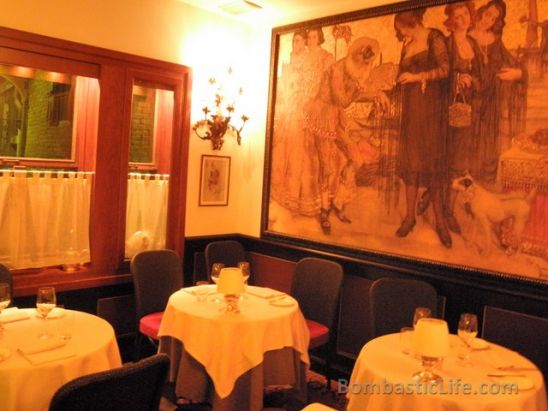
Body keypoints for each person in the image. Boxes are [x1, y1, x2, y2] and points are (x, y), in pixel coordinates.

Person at [304, 36, 389, 234]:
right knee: (326, 167)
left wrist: (376, 94)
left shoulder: (354, 71)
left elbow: (352, 97)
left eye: (368, 62)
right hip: (322, 115)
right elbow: (342, 100)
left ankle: (338, 201)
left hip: (335, 116)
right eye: (364, 61)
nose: (366, 66)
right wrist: (362, 90)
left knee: (356, 158)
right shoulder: (337, 69)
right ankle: (325, 210)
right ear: (355, 56)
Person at [393, 8, 452, 248]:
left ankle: (440, 222)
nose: (400, 33)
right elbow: (400, 76)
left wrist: (417, 78)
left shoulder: (434, 38)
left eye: (401, 27)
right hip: (411, 113)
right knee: (411, 164)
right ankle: (409, 218)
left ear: (410, 22)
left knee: (432, 165)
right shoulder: (406, 46)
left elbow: (445, 69)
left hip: (431, 112)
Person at [469, 0, 525, 185]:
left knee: (489, 143)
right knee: (469, 143)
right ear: (481, 12)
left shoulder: (496, 41)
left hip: (490, 101)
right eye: (488, 14)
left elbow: (514, 65)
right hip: (469, 101)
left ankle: (485, 185)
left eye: (494, 18)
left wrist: (519, 73)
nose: (489, 20)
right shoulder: (466, 38)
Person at [270, 30, 321, 217]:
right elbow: (284, 88)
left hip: (302, 115)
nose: (295, 44)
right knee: (285, 152)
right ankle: (288, 195)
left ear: (305, 43)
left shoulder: (309, 64)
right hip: (290, 114)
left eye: (298, 41)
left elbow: (312, 89)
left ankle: (301, 198)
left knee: (301, 156)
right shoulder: (290, 63)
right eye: (293, 41)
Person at [443, 1, 483, 235]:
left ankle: (457, 204)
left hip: (470, 113)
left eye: (465, 14)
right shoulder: (448, 45)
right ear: (451, 21)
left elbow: (481, 78)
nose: (462, 19)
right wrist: (456, 80)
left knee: (465, 164)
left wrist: (472, 81)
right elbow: (442, 76)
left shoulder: (474, 44)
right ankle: (448, 211)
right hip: (451, 115)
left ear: (471, 16)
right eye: (457, 16)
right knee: (453, 165)